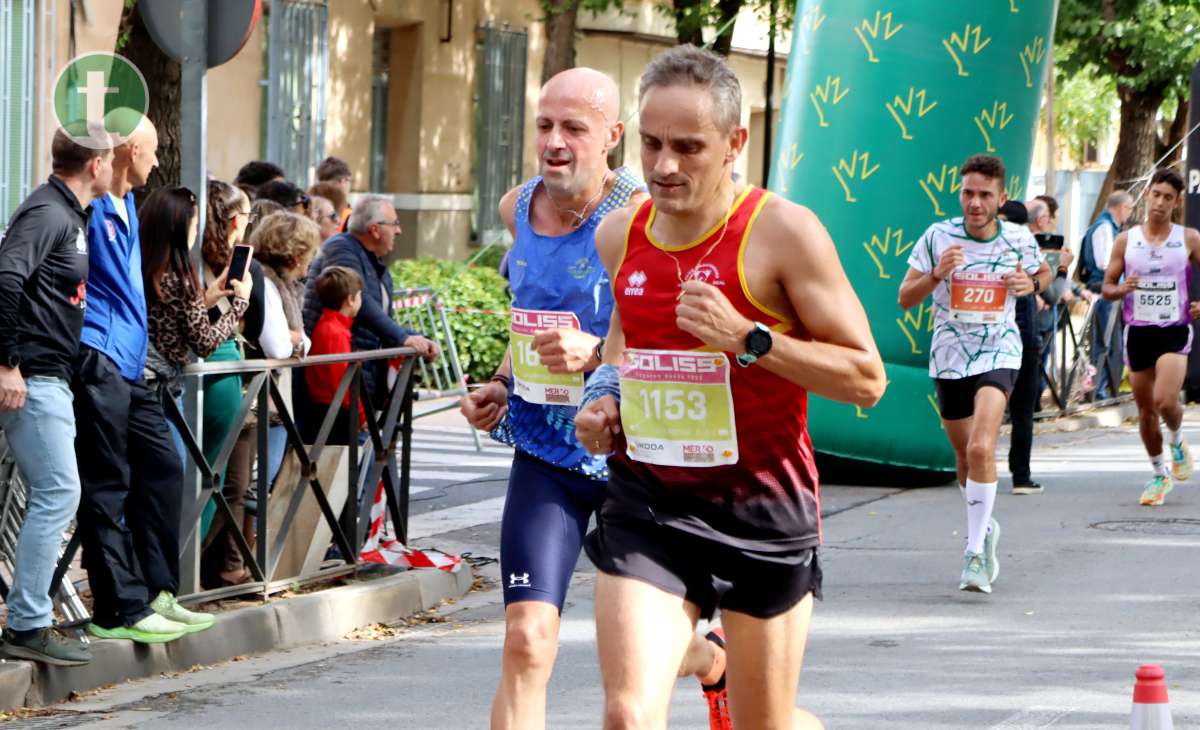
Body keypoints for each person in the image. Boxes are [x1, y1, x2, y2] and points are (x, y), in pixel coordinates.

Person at [575, 46, 887, 730]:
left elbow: (868, 378)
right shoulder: (621, 233)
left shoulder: (781, 233)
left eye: (688, 147)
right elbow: (629, 336)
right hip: (650, 501)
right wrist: (603, 394)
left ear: (735, 142)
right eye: (653, 143)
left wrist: (752, 338)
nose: (663, 166)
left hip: (762, 512)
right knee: (627, 715)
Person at [458, 67, 711, 730]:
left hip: (637, 460)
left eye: (574, 127)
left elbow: (679, 333)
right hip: (548, 457)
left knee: (648, 662)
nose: (555, 141)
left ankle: (710, 661)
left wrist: (595, 353)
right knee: (525, 639)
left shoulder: (645, 215)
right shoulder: (519, 207)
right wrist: (501, 385)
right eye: (545, 125)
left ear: (613, 137)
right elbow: (529, 315)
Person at [73, 113, 209, 642]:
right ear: (129, 151)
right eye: (151, 152)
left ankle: (159, 592)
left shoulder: (129, 205)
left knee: (164, 469)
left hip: (136, 367)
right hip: (101, 358)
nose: (156, 162)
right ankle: (118, 608)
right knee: (107, 485)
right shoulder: (93, 207)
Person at [899, 154, 1050, 594]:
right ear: (960, 193)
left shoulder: (1018, 238)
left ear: (1001, 198)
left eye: (985, 194)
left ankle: (973, 552)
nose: (975, 202)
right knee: (966, 457)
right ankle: (984, 528)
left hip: (999, 349)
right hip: (949, 356)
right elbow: (905, 297)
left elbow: (1043, 270)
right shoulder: (937, 236)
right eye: (968, 193)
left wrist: (1033, 285)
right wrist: (935, 274)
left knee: (983, 446)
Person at [0, 129, 113, 665]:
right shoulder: (48, 213)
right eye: (110, 159)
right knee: (59, 492)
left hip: (50, 377)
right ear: (95, 164)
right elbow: (5, 278)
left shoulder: (70, 213)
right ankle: (26, 624)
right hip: (32, 377)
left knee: (54, 493)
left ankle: (28, 620)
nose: (113, 167)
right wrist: (7, 364)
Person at [1101, 169, 1200, 506]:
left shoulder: (1189, 238)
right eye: (1155, 195)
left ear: (1176, 202)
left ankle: (1176, 439)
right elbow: (1106, 286)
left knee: (1165, 401)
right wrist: (1120, 289)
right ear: (1146, 196)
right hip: (1138, 332)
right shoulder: (1126, 240)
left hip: (1174, 330)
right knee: (1145, 413)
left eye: (1167, 197)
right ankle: (1160, 474)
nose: (1159, 202)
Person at [301, 196, 439, 411]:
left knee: (373, 439)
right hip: (339, 379)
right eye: (394, 224)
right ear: (375, 229)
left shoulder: (373, 259)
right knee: (350, 441)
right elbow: (359, 299)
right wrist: (403, 338)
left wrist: (414, 337)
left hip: (364, 371)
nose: (399, 231)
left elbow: (383, 316)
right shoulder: (341, 248)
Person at [1080, 190, 1135, 399]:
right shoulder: (1104, 227)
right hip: (1104, 289)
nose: (1129, 214)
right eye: (1129, 209)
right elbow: (1104, 262)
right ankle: (1097, 389)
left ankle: (1106, 386)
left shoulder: (1110, 226)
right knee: (1104, 342)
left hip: (1112, 290)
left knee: (1112, 341)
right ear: (1121, 207)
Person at [306, 266, 366, 444]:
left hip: (327, 408)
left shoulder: (329, 325)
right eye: (360, 295)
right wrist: (362, 415)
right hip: (334, 412)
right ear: (350, 300)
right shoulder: (335, 332)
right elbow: (343, 383)